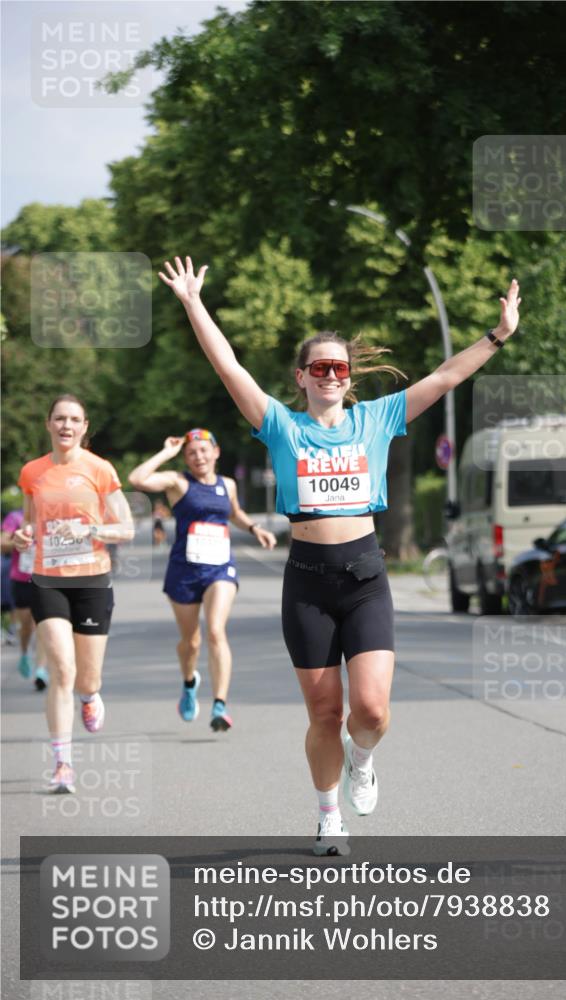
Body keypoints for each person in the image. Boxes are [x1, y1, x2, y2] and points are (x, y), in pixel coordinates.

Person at [160, 255, 520, 855]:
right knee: (325, 712)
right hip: (307, 582)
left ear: (350, 379)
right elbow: (228, 367)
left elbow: (446, 377)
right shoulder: (279, 425)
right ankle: (329, 815)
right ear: (301, 377)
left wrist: (497, 335)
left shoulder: (378, 418)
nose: (331, 375)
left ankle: (364, 759)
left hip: (365, 576)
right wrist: (194, 302)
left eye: (340, 368)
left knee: (371, 712)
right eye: (319, 367)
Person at [13, 395, 134, 793]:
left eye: (74, 419)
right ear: (48, 424)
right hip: (47, 579)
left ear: (85, 427)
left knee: (86, 677)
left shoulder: (99, 470)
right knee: (62, 671)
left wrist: (92, 531)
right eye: (59, 418)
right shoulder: (33, 472)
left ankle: (91, 695)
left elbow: (127, 528)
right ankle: (63, 763)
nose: (66, 425)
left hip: (92, 581)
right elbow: (30, 526)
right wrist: (23, 535)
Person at [129, 429, 277, 731]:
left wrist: (254, 528)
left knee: (214, 631)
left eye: (203, 450)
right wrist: (166, 453)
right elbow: (137, 479)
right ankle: (188, 682)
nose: (198, 456)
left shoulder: (228, 485)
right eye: (192, 452)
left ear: (216, 452)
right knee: (190, 642)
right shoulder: (178, 482)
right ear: (186, 458)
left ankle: (220, 705)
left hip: (220, 567)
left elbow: (235, 513)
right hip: (184, 569)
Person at [0, 508, 48, 688]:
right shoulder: (16, 517)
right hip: (21, 579)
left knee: (43, 623)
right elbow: (2, 542)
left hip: (46, 578)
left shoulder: (51, 513)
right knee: (27, 625)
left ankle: (41, 669)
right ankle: (25, 652)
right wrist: (18, 541)